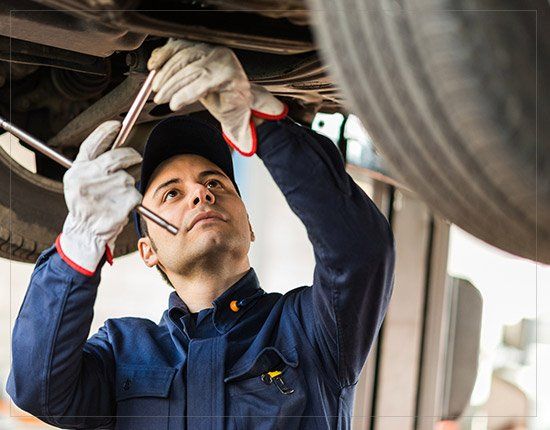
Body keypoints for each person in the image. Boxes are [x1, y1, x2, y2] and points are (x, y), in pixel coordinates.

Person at [7, 39, 395, 429]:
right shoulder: (122, 352)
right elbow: (37, 389)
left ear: (250, 226)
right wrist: (80, 240)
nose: (201, 192)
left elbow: (360, 251)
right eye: (172, 192)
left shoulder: (308, 330)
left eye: (216, 183)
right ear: (147, 250)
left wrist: (261, 123)